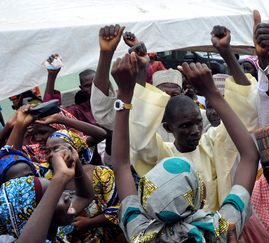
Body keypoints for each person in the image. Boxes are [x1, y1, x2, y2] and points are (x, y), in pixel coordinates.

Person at [91, 24, 258, 211]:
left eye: (196, 123)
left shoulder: (212, 144)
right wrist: (117, 62)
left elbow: (245, 116)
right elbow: (133, 130)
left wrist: (226, 53)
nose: (195, 130)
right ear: (154, 99)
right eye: (164, 95)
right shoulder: (159, 152)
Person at [109, 49, 259, 241]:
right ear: (200, 194)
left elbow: (121, 166)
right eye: (186, 126)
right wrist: (212, 90)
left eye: (197, 122)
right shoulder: (220, 229)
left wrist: (125, 93)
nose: (196, 130)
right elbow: (249, 155)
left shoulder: (142, 235)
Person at [0, 107, 94, 242]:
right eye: (54, 196)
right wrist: (59, 179)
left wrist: (74, 160)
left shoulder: (55, 228)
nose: (67, 194)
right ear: (34, 215)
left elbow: (85, 196)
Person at [40, 129, 124, 242]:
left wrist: (90, 223)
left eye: (56, 149)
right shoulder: (43, 174)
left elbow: (120, 208)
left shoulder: (101, 173)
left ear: (74, 148)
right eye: (47, 151)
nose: (51, 155)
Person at [43, 54, 97, 125]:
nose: (92, 88)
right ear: (82, 88)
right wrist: (52, 75)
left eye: (95, 84)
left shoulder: (113, 102)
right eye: (87, 86)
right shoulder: (78, 111)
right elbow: (51, 114)